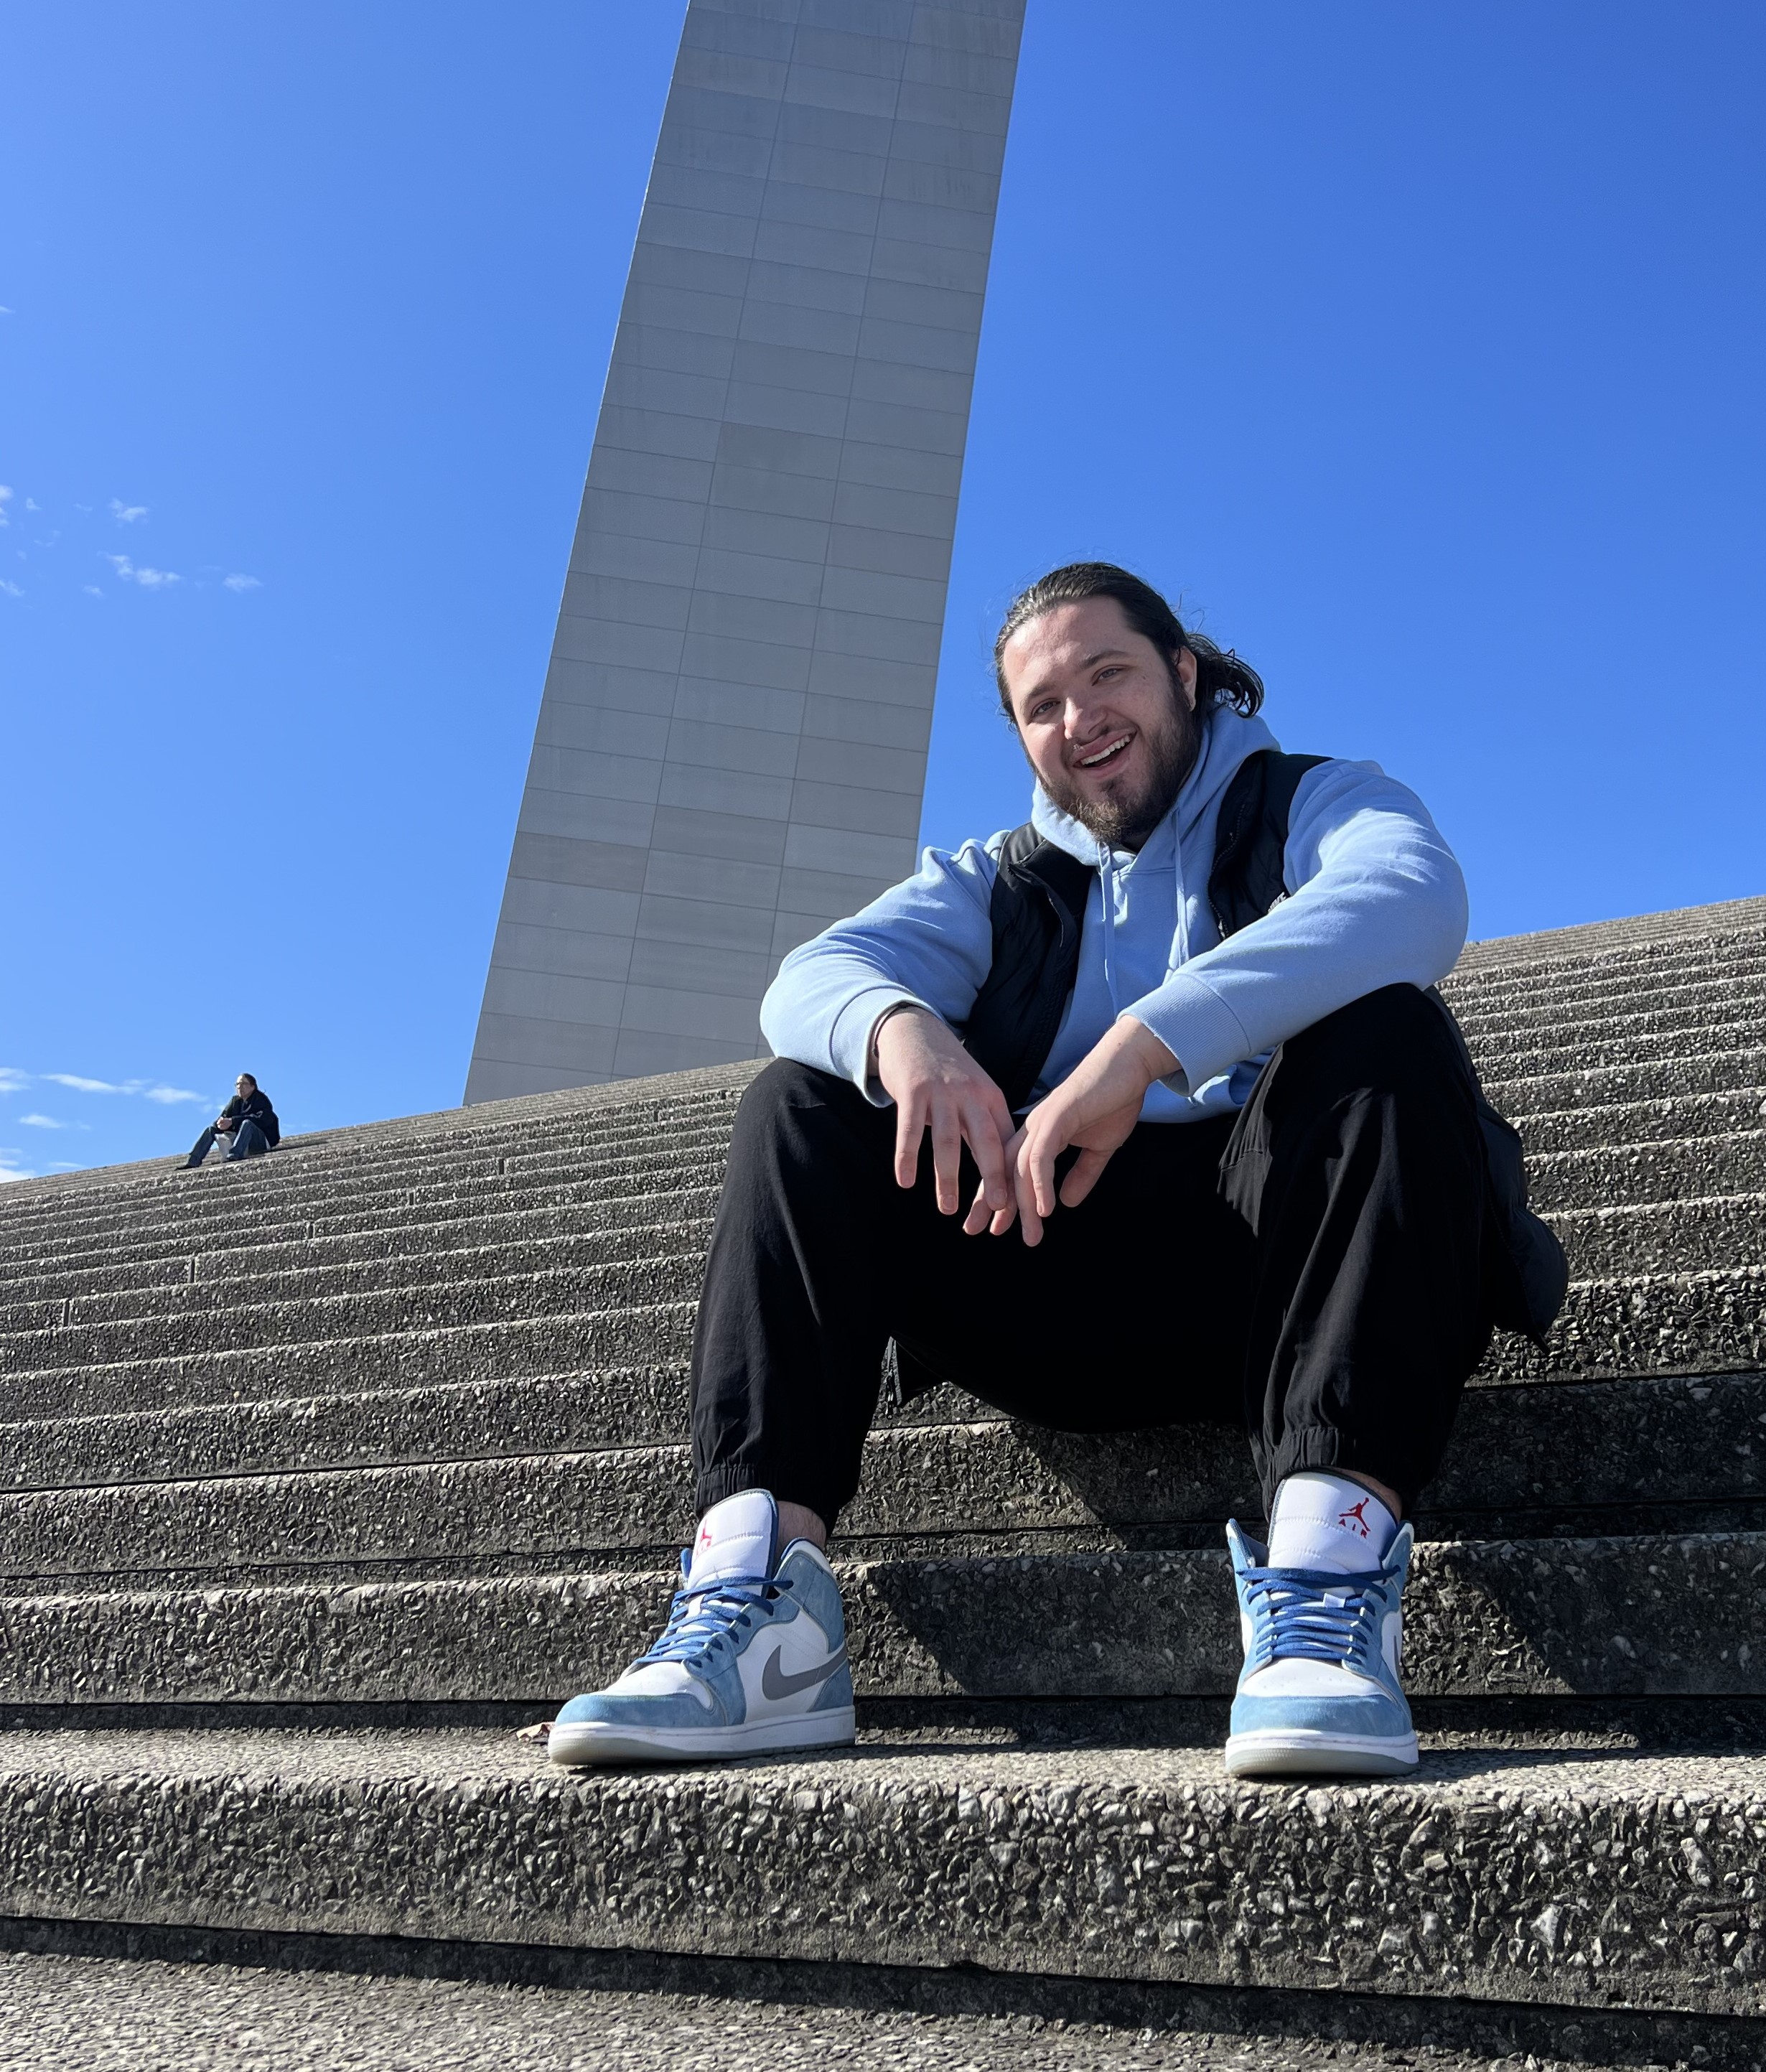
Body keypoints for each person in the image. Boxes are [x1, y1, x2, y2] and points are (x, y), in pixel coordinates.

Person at [551, 562, 1494, 1779]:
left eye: (1109, 675)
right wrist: (904, 1032)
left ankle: (1326, 1587)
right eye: (1042, 705)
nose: (1079, 718)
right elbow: (807, 979)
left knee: (1390, 1032)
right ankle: (760, 1605)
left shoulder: (1311, 801)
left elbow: (1413, 894)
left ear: (1184, 675)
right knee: (799, 1102)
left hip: (1292, 1284)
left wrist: (1143, 1046)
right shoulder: (996, 881)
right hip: (1047, 1277)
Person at [183, 1075, 280, 1166]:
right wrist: (220, 1124)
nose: (240, 1087)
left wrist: (233, 1121)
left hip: (261, 1142)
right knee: (211, 1129)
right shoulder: (235, 1101)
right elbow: (223, 1118)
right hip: (242, 1141)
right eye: (238, 1084)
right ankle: (193, 1161)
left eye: (243, 1084)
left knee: (247, 1123)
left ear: (252, 1087)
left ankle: (234, 1154)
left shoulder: (261, 1100)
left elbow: (261, 1119)